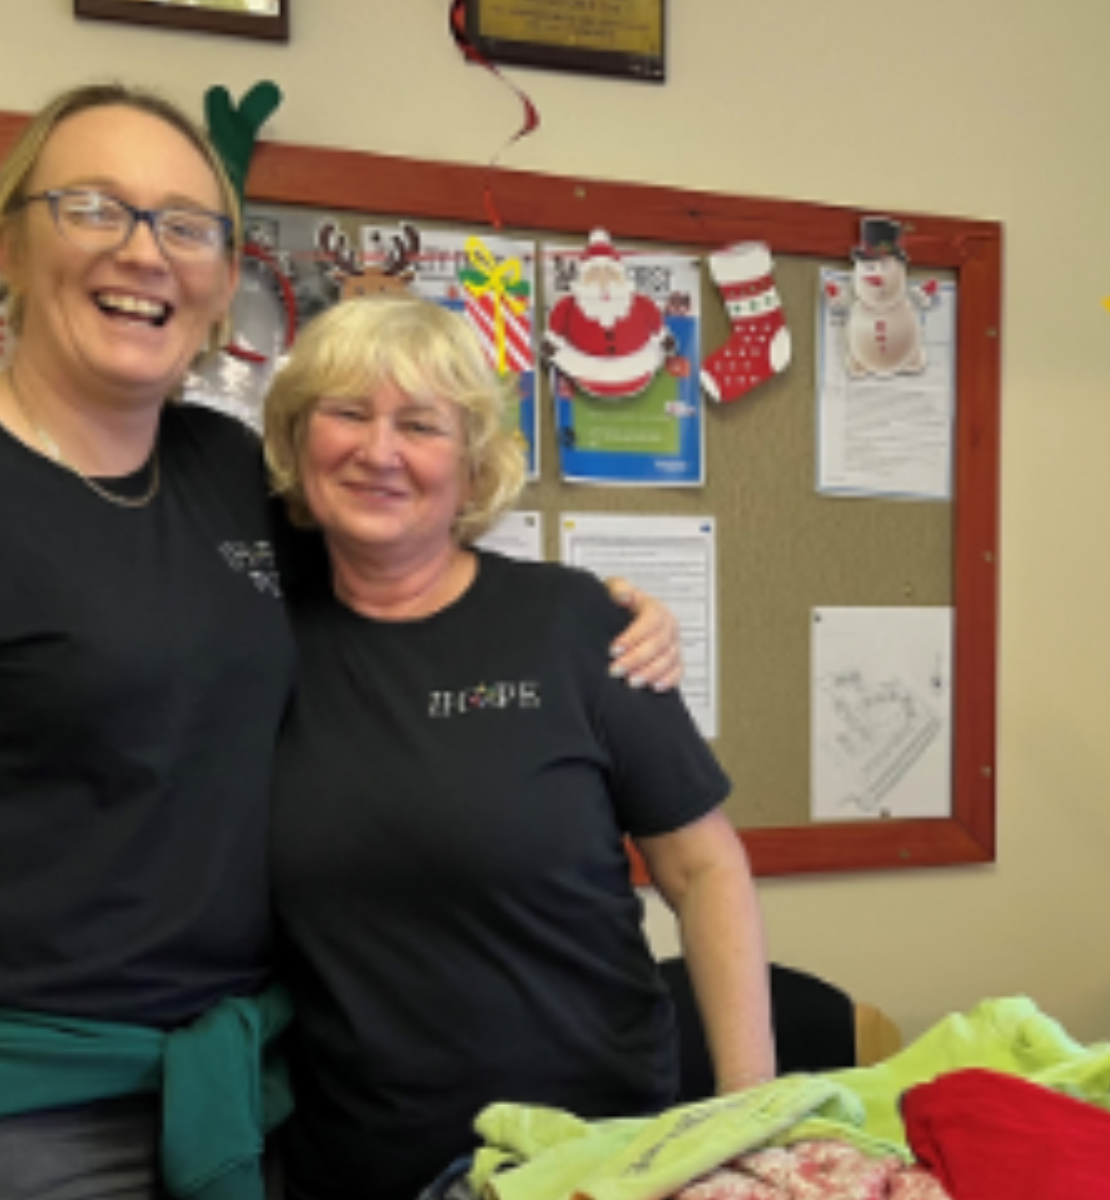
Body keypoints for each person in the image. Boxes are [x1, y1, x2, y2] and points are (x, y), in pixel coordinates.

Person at [0, 83, 680, 1200]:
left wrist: (605, 611)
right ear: (7, 244)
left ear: (226, 280)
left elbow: (406, 565)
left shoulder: (232, 478)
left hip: (218, 1090)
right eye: (95, 207)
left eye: (186, 225)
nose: (144, 252)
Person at [260, 294, 774, 1200]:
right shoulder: (254, 644)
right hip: (353, 1164)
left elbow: (704, 871)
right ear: (299, 442)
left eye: (420, 425)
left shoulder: (573, 625)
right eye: (346, 413)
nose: (379, 450)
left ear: (471, 467)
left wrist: (750, 1120)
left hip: (591, 1159)